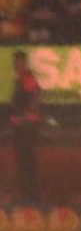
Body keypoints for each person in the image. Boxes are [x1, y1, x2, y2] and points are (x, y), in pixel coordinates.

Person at [7, 50, 41, 203]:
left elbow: (35, 97)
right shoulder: (20, 79)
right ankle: (28, 195)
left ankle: (30, 196)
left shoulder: (27, 78)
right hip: (22, 126)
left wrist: (23, 117)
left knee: (27, 162)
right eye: (15, 62)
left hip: (26, 127)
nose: (16, 65)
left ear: (23, 63)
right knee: (25, 161)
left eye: (18, 62)